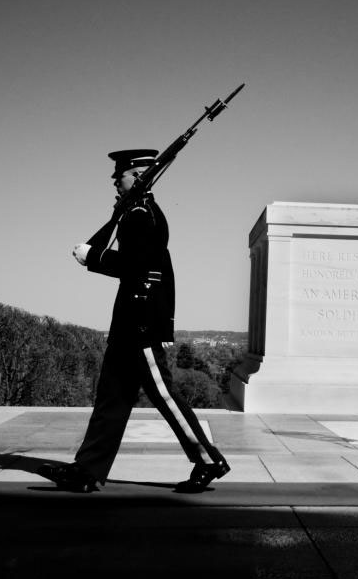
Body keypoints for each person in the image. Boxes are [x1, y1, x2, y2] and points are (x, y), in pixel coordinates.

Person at [38, 148, 230, 493]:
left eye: (121, 174)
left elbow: (136, 267)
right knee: (111, 399)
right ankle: (87, 471)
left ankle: (208, 460)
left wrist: (92, 256)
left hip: (139, 324)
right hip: (129, 323)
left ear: (139, 175)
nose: (115, 179)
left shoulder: (141, 214)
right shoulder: (134, 211)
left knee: (164, 396)